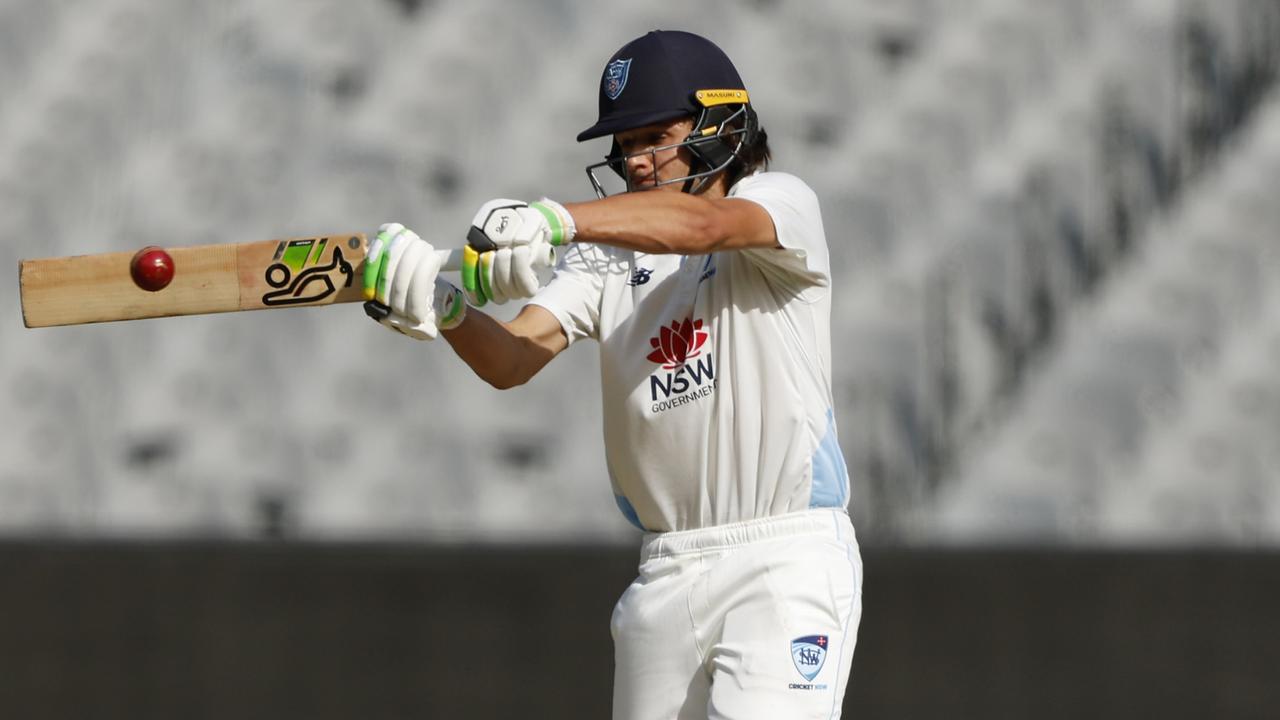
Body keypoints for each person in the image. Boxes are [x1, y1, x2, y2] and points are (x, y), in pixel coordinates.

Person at [363, 29, 863, 720]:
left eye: (656, 135)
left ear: (721, 125)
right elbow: (513, 359)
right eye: (626, 147)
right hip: (665, 569)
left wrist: (557, 218)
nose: (639, 160)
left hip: (782, 556)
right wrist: (446, 310)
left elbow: (704, 227)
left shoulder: (781, 204)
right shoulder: (602, 262)